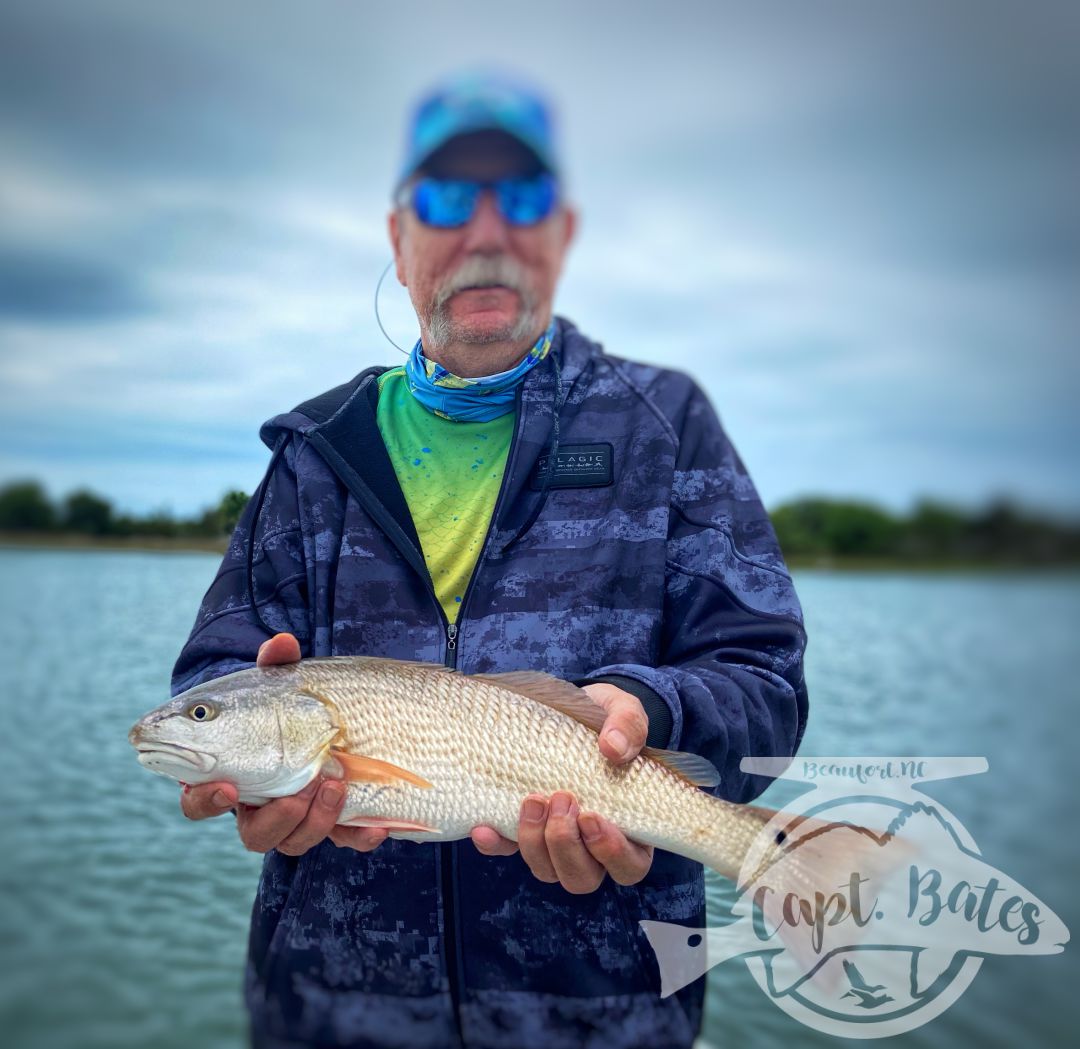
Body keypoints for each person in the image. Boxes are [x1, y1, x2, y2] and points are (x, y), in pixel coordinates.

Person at [175, 72, 808, 1049]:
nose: (483, 232)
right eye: (442, 198)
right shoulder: (315, 451)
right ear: (398, 238)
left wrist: (648, 709)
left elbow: (763, 675)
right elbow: (214, 669)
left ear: (562, 234)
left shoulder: (663, 425)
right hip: (329, 1019)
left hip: (607, 1019)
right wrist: (246, 761)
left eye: (519, 199)